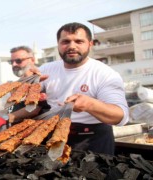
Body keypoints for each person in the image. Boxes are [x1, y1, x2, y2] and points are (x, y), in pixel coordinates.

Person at [19, 22, 129, 155]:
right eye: (65, 41)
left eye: (79, 41)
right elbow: (19, 100)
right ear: (58, 44)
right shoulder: (47, 69)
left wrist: (89, 104)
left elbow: (121, 116)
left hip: (93, 141)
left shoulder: (105, 74)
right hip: (54, 135)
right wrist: (23, 83)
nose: (72, 46)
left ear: (90, 44)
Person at [0, 46, 50, 132]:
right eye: (11, 62)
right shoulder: (16, 84)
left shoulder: (41, 80)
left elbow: (34, 109)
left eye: (19, 61)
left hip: (37, 135)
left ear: (32, 60)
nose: (14, 64)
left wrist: (5, 118)